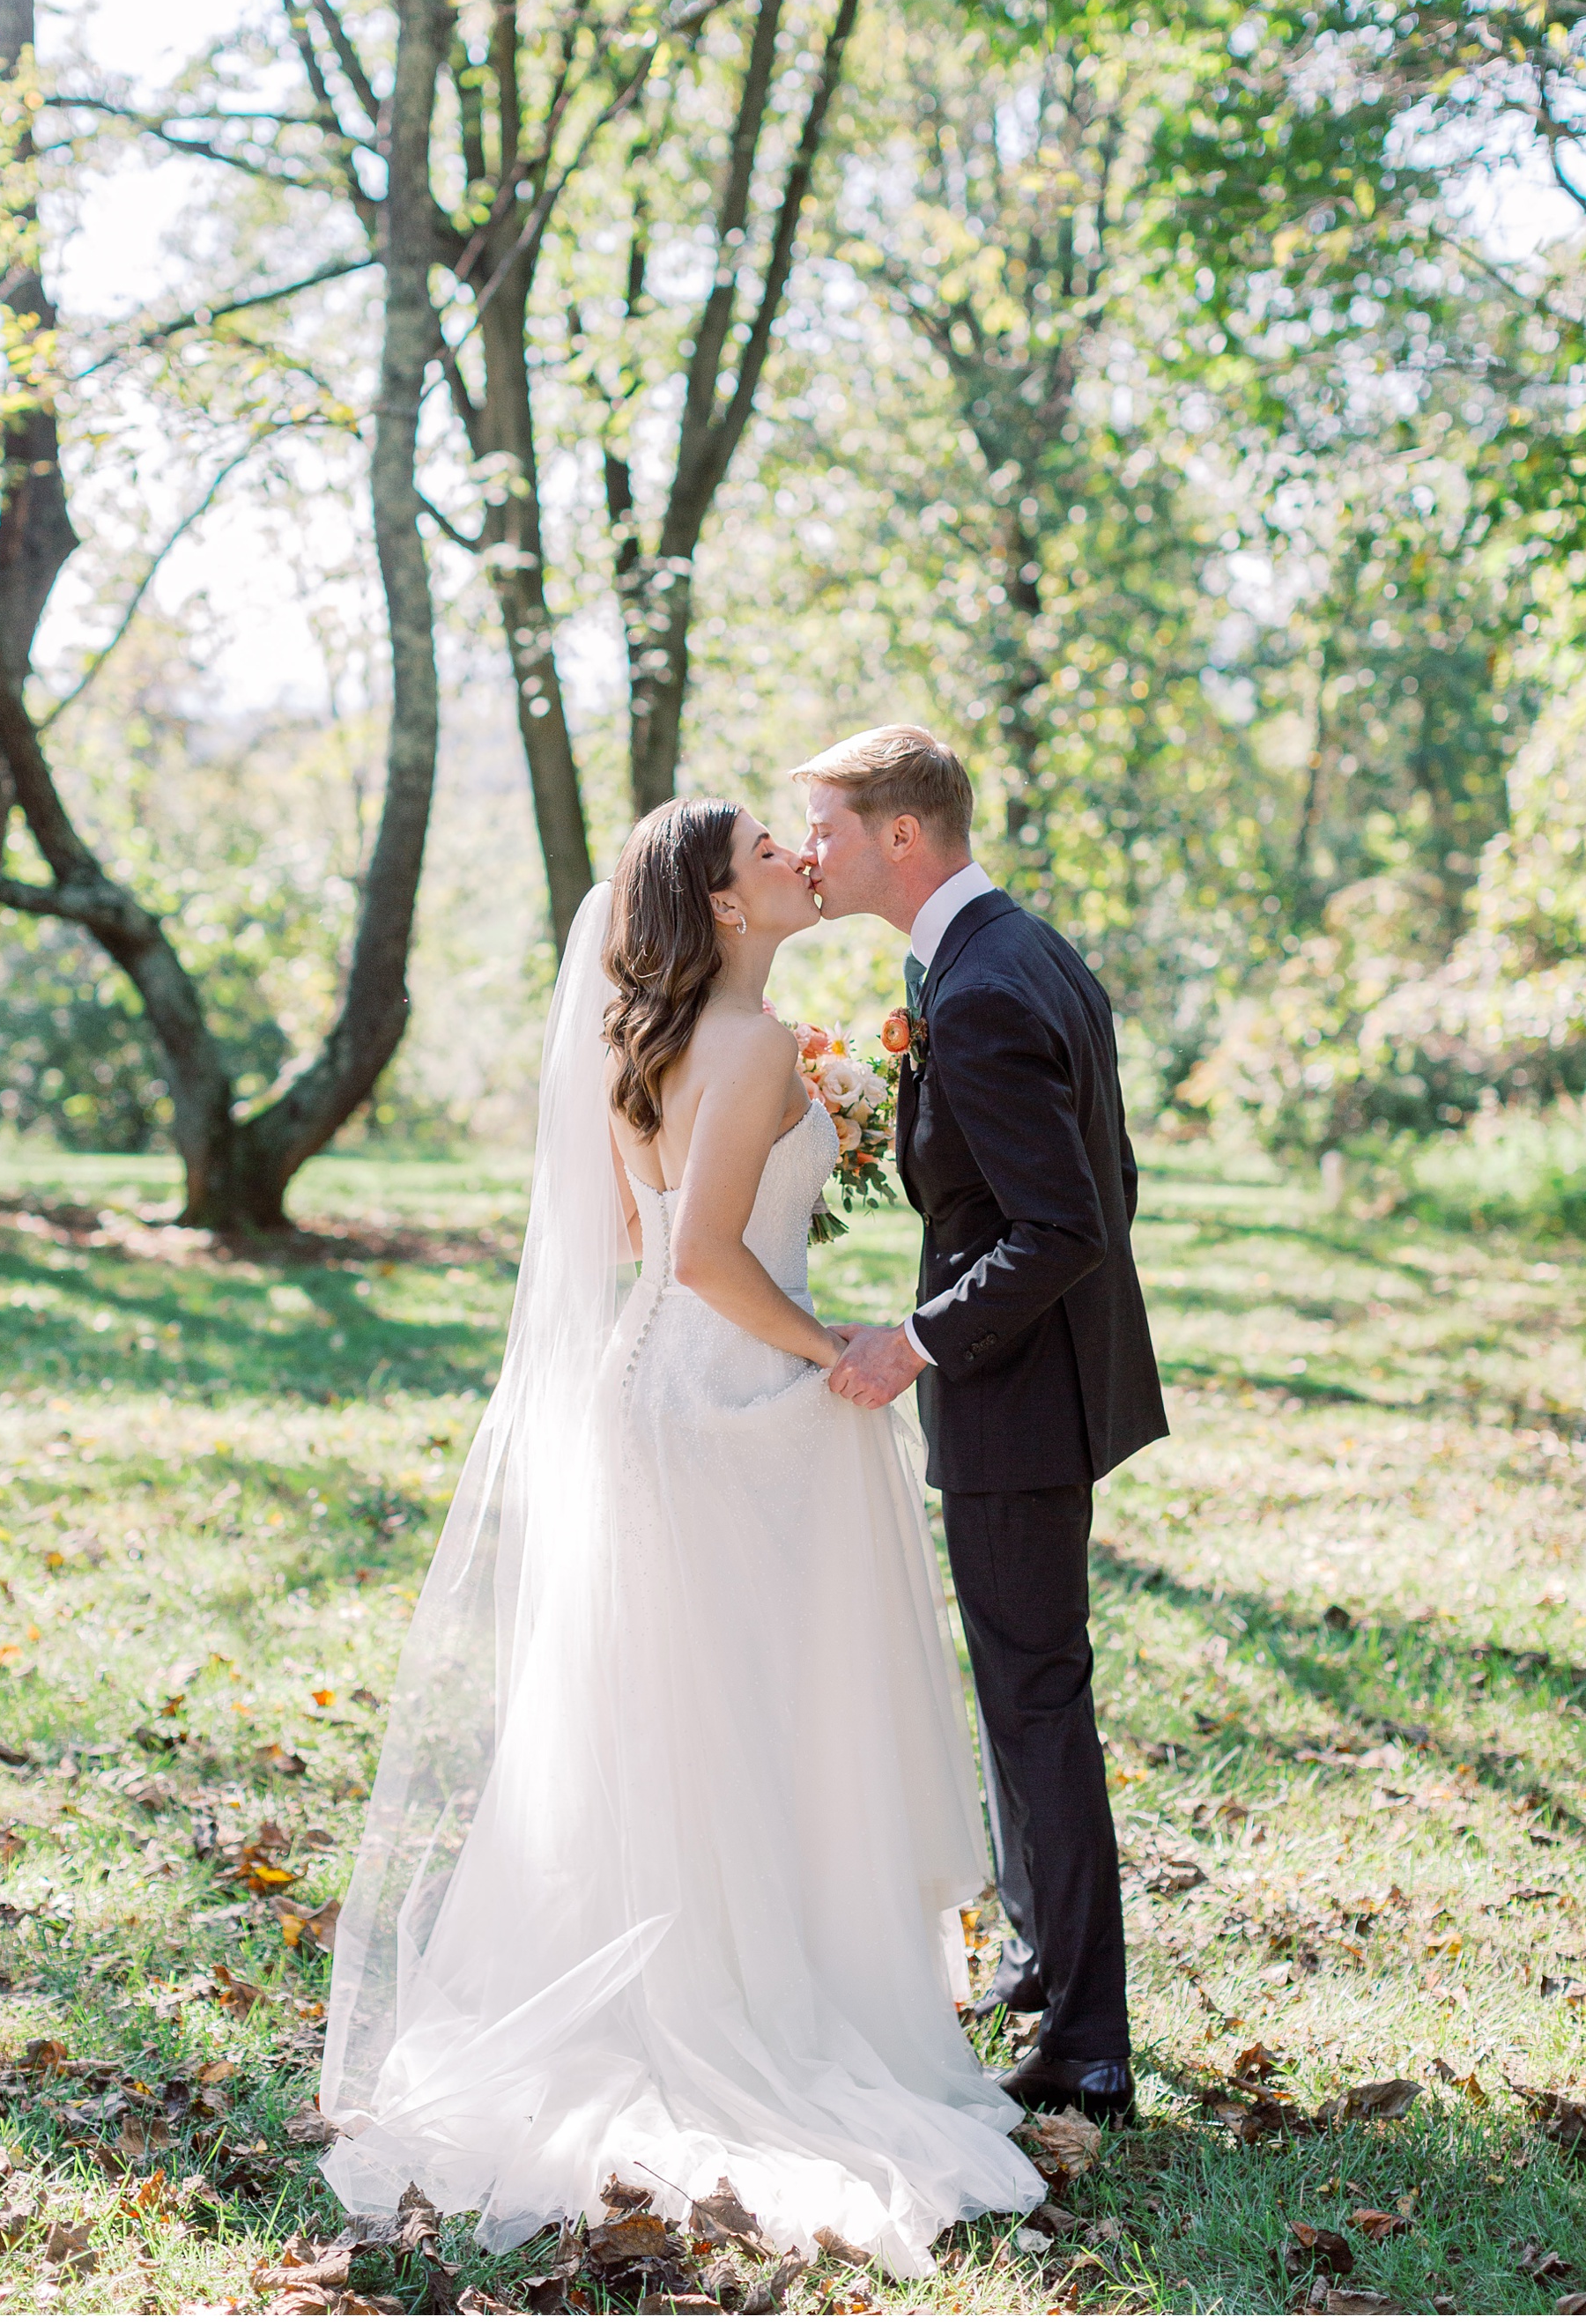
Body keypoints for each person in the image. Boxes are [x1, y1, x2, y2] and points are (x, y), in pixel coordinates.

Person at [318, 798, 1044, 2274]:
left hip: (643, 1389)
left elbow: (648, 1247)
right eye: (768, 853)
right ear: (721, 905)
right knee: (755, 1711)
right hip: (730, 1402)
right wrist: (832, 1345)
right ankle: (760, 2010)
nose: (799, 856)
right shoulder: (760, 1047)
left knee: (677, 1716)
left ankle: (704, 1977)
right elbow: (711, 1257)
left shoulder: (646, 1045)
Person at [797, 726, 1167, 2124]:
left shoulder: (993, 984)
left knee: (1033, 1704)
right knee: (1028, 1694)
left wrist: (920, 1340)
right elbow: (1109, 1178)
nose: (811, 853)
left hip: (1017, 1395)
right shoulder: (1015, 951)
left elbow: (1068, 1220)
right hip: (1040, 1383)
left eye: (826, 827)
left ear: (904, 835)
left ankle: (1087, 2043)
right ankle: (1042, 1962)